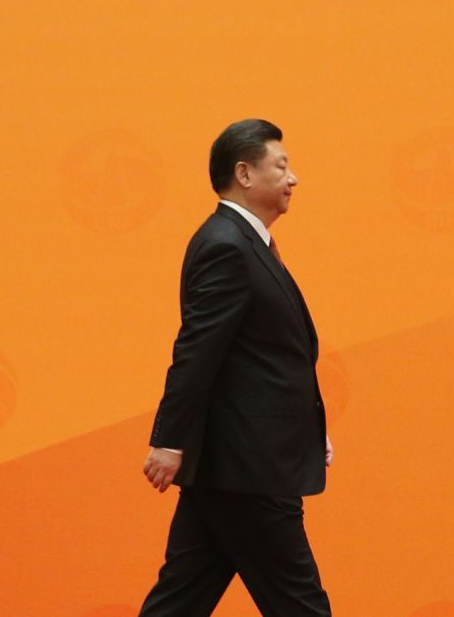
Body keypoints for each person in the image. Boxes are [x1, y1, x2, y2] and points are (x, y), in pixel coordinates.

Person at [137, 118, 333, 617]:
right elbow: (197, 350)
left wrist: (312, 430)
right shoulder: (227, 246)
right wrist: (169, 440)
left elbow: (262, 361)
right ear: (244, 175)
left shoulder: (246, 244)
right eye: (282, 166)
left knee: (179, 601)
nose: (294, 179)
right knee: (301, 605)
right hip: (251, 469)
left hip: (233, 467)